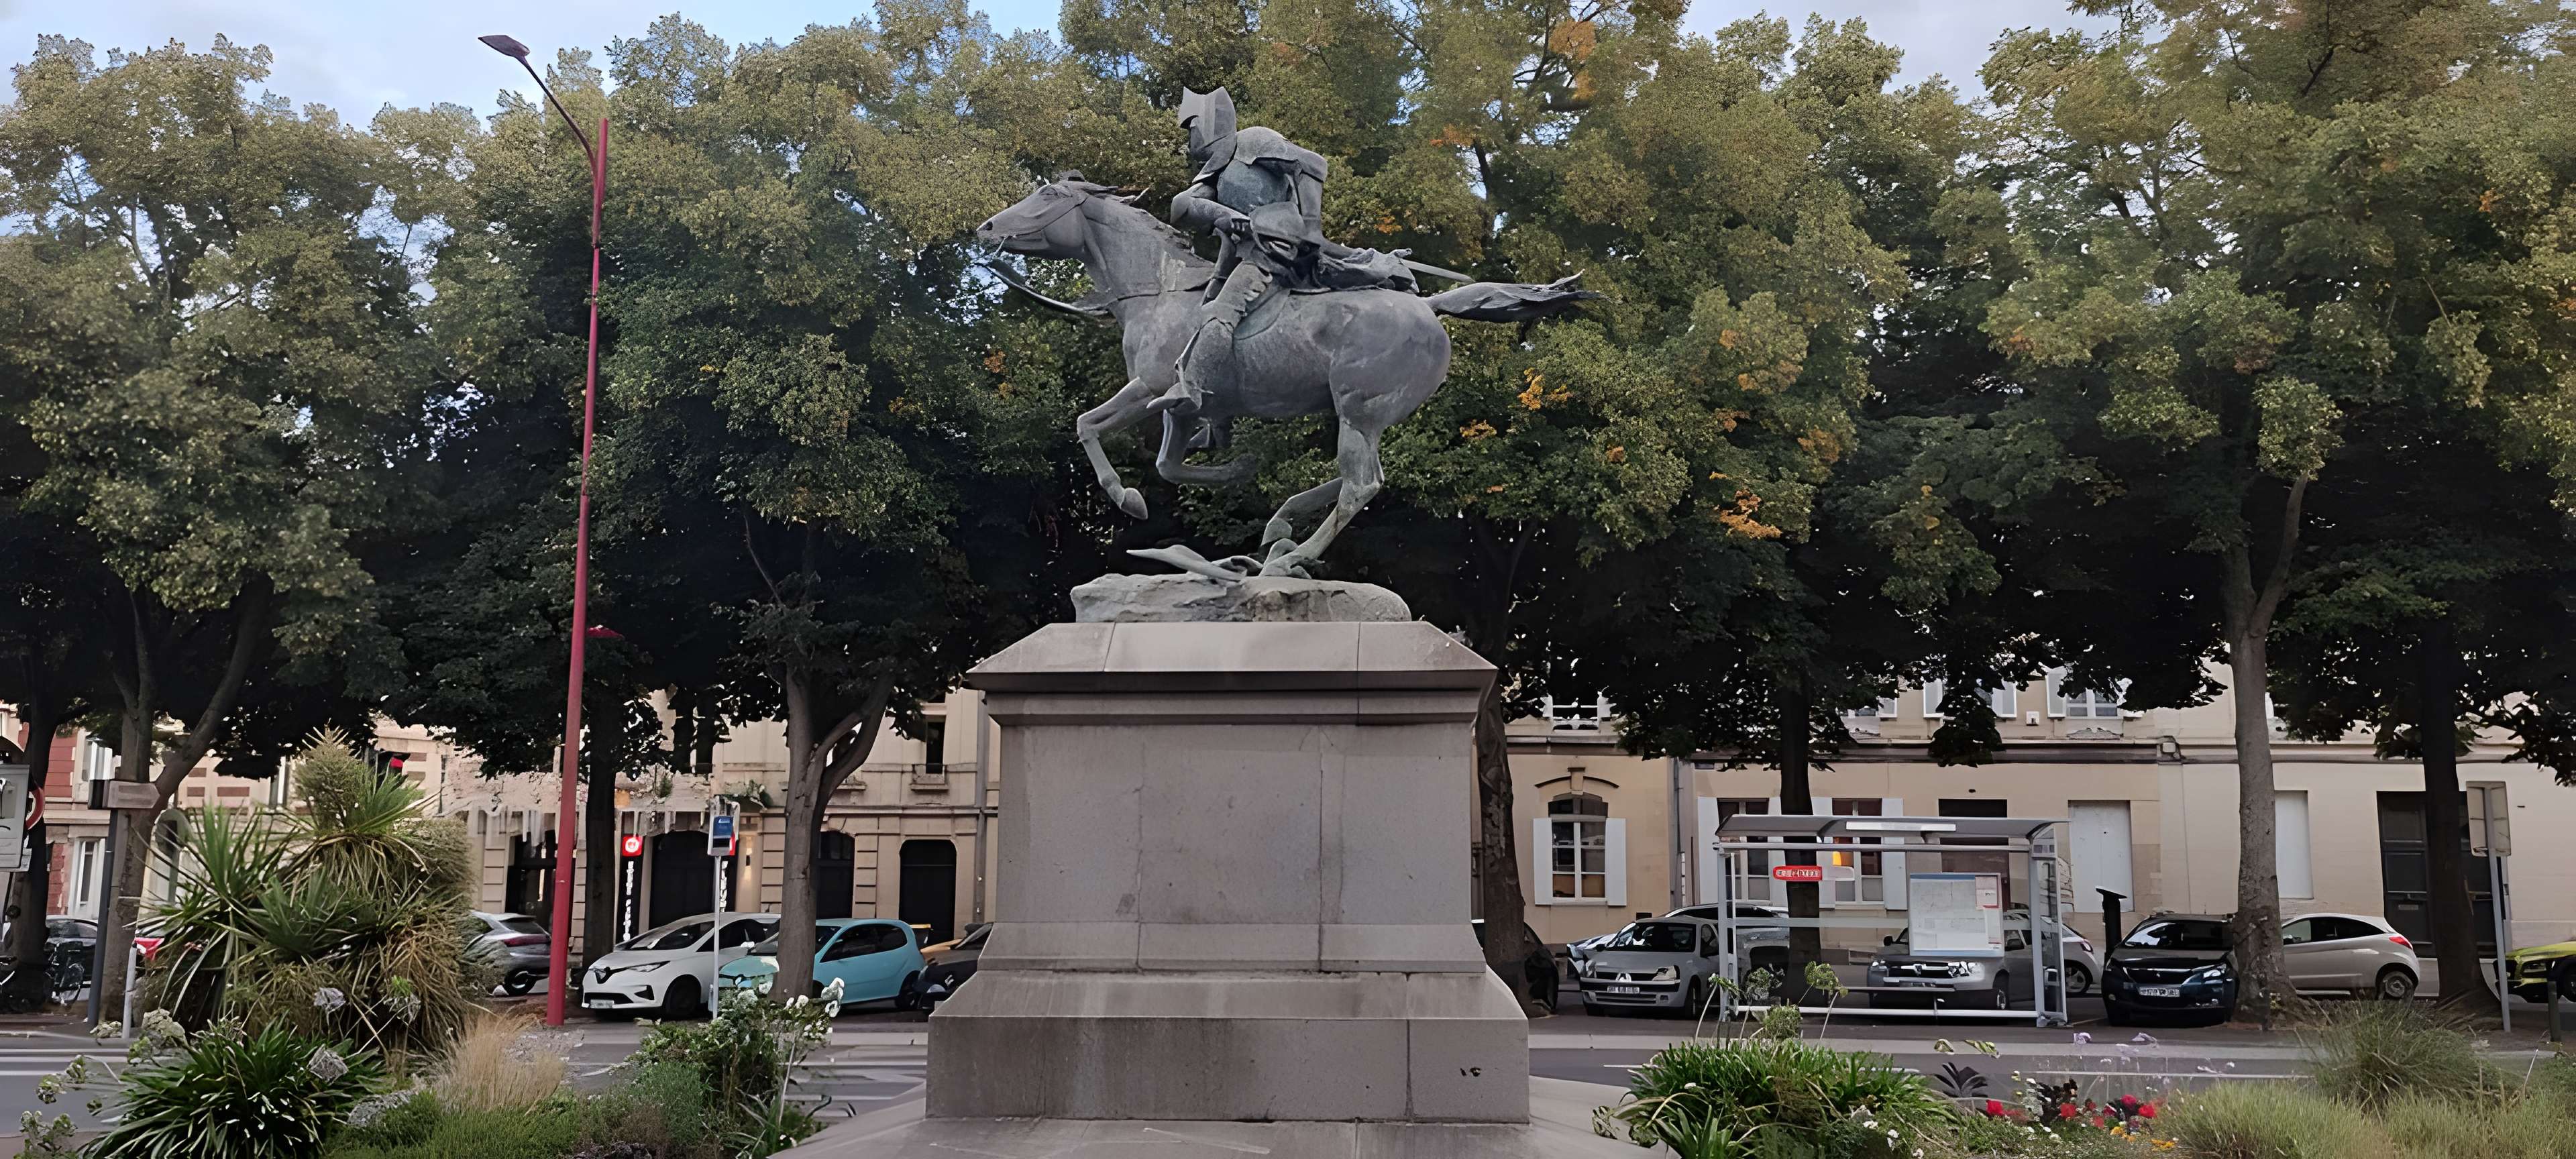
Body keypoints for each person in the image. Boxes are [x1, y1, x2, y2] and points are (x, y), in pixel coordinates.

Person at [1155, 87, 1332, 417]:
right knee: (1204, 310)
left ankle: (1191, 390)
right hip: (1245, 255)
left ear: (1208, 122)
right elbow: (1182, 206)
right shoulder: (1217, 173)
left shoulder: (1253, 142)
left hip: (1275, 250)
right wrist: (1227, 221)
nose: (1190, 139)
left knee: (1222, 311)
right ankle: (1216, 419)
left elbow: (1312, 164)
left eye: (1192, 128)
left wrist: (1311, 227)